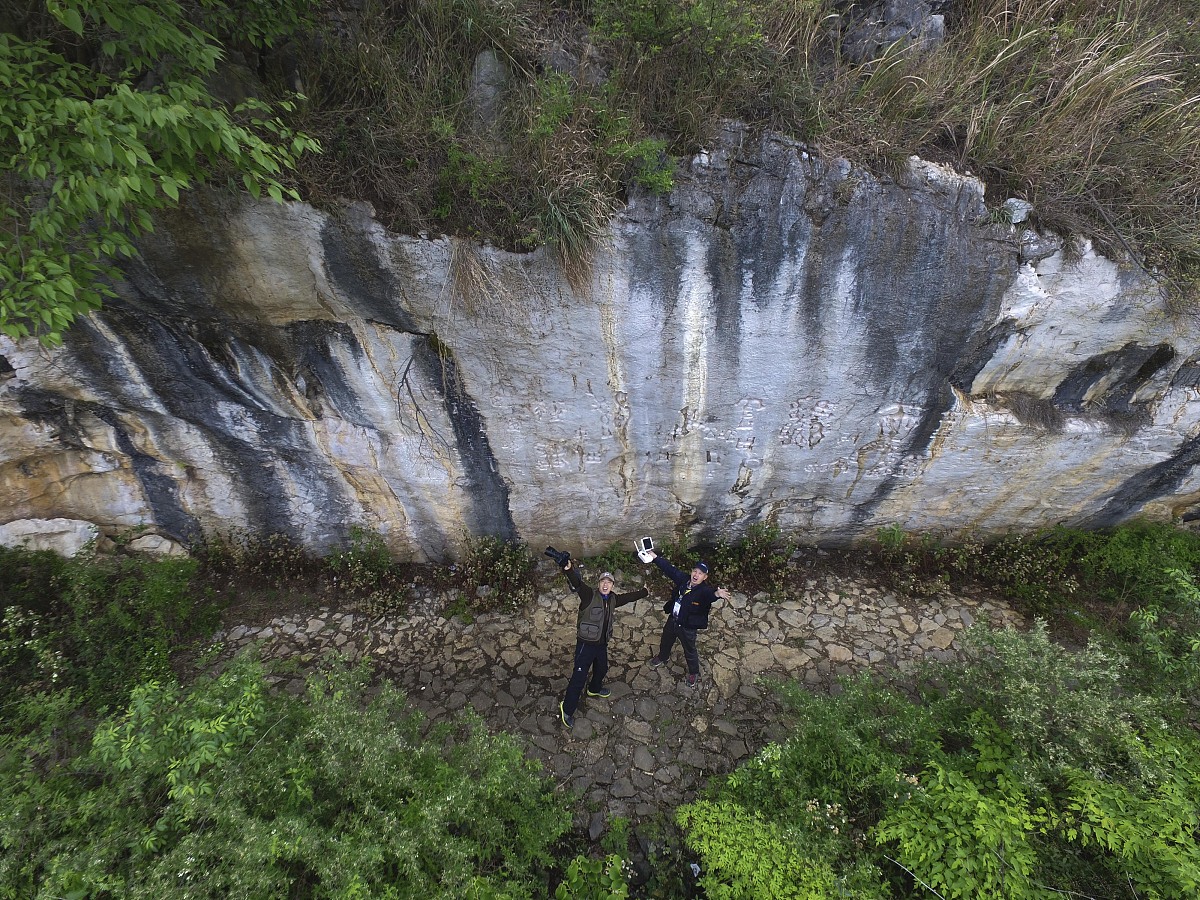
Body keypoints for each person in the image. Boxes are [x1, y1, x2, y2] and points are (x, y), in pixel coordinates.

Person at [555, 556, 648, 730]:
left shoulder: (613, 599)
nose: (606, 585)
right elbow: (577, 583)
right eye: (603, 582)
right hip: (586, 645)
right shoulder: (589, 595)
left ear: (613, 586)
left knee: (602, 668)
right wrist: (568, 568)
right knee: (579, 677)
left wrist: (644, 592)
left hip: (601, 644)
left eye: (609, 583)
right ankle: (567, 709)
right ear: (598, 584)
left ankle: (594, 688)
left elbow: (627, 598)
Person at [642, 550, 731, 686]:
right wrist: (655, 558)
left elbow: (710, 595)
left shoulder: (704, 591)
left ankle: (693, 672)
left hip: (688, 627)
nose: (696, 575)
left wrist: (717, 594)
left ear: (705, 577)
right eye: (695, 571)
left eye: (700, 573)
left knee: (689, 650)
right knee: (665, 641)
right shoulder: (683, 580)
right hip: (673, 620)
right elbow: (669, 569)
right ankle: (663, 657)